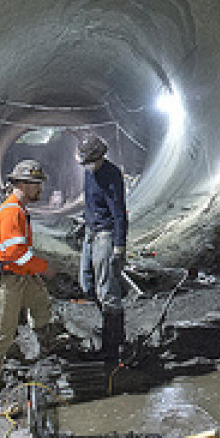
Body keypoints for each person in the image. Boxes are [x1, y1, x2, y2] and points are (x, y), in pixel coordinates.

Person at [0, 158, 57, 415]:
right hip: (4, 280)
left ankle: (46, 350)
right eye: (36, 185)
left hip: (19, 276)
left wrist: (34, 273)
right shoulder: (12, 211)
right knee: (1, 333)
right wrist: (43, 267)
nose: (40, 190)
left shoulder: (19, 210)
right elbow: (15, 253)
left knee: (41, 303)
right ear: (23, 185)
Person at [76, 133, 128, 363]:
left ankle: (113, 345)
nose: (87, 166)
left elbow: (119, 212)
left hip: (106, 234)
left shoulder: (110, 175)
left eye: (90, 161)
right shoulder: (90, 172)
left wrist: (119, 245)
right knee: (87, 283)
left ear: (100, 156)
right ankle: (108, 327)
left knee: (107, 290)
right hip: (90, 231)